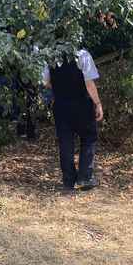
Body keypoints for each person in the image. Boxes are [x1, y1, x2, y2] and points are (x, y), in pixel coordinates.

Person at [43, 49, 103, 192]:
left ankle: (68, 181)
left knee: (65, 142)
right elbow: (89, 84)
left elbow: (45, 82)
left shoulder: (50, 55)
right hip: (82, 104)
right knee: (89, 137)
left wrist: (61, 88)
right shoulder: (83, 54)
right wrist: (98, 103)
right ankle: (85, 177)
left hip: (61, 105)